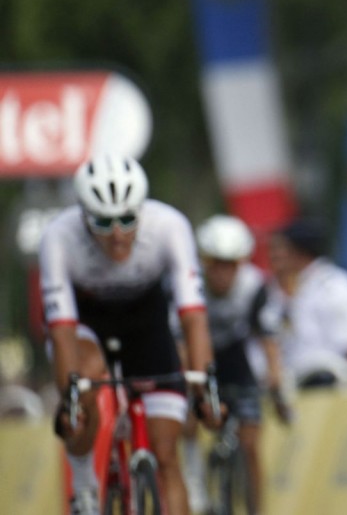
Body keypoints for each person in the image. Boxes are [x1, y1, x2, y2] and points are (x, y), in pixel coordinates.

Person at [39, 153, 219, 515]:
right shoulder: (59, 237)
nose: (118, 235)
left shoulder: (169, 226)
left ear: (142, 210)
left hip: (146, 325)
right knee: (83, 381)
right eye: (104, 223)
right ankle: (85, 484)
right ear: (84, 216)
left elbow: (193, 317)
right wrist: (70, 401)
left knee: (166, 455)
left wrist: (205, 387)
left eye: (127, 219)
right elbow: (61, 330)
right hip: (87, 324)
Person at [181, 214, 290, 515]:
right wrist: (189, 384)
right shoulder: (190, 284)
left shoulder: (254, 286)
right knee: (186, 418)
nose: (222, 273)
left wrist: (276, 381)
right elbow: (179, 341)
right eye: (216, 263)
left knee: (251, 443)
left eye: (231, 264)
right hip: (196, 356)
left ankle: (256, 509)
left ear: (241, 262)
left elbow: (268, 340)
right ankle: (194, 486)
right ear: (204, 261)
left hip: (235, 360)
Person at [266, 218, 347, 388]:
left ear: (299, 251)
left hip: (332, 382)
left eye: (279, 249)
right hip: (289, 383)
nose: (273, 256)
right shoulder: (272, 290)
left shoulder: (337, 285)